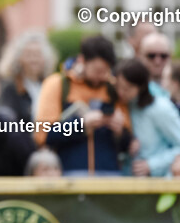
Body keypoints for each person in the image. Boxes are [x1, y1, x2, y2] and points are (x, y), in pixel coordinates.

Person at [34, 35, 131, 176]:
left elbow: (129, 144)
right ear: (82, 61)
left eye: (106, 71)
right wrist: (81, 125)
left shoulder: (113, 88)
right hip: (68, 174)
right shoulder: (59, 84)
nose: (102, 76)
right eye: (97, 71)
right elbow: (43, 135)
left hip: (110, 175)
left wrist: (120, 131)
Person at [115, 59, 180, 177]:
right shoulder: (122, 105)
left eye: (127, 88)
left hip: (157, 182)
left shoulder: (160, 108)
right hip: (126, 181)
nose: (121, 93)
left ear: (141, 87)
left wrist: (152, 164)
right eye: (118, 87)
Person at [0, 30, 57, 124]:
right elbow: (5, 121)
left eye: (38, 55)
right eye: (29, 55)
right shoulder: (11, 87)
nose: (34, 60)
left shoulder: (49, 85)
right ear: (18, 58)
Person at [138, 32, 173, 99]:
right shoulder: (133, 87)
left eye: (163, 56)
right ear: (140, 56)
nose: (157, 62)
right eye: (151, 56)